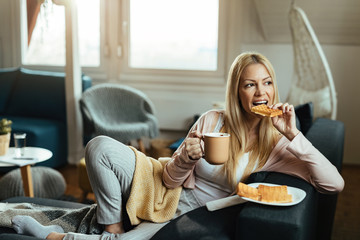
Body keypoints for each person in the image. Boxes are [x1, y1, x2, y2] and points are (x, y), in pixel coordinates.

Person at [10, 51, 344, 240]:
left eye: (267, 82)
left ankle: (52, 236)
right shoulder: (213, 120)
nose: (261, 92)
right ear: (236, 91)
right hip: (162, 184)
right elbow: (170, 179)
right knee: (98, 147)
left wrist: (293, 135)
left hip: (186, 210)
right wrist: (184, 157)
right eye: (250, 85)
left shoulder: (278, 145)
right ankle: (109, 226)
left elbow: (334, 184)